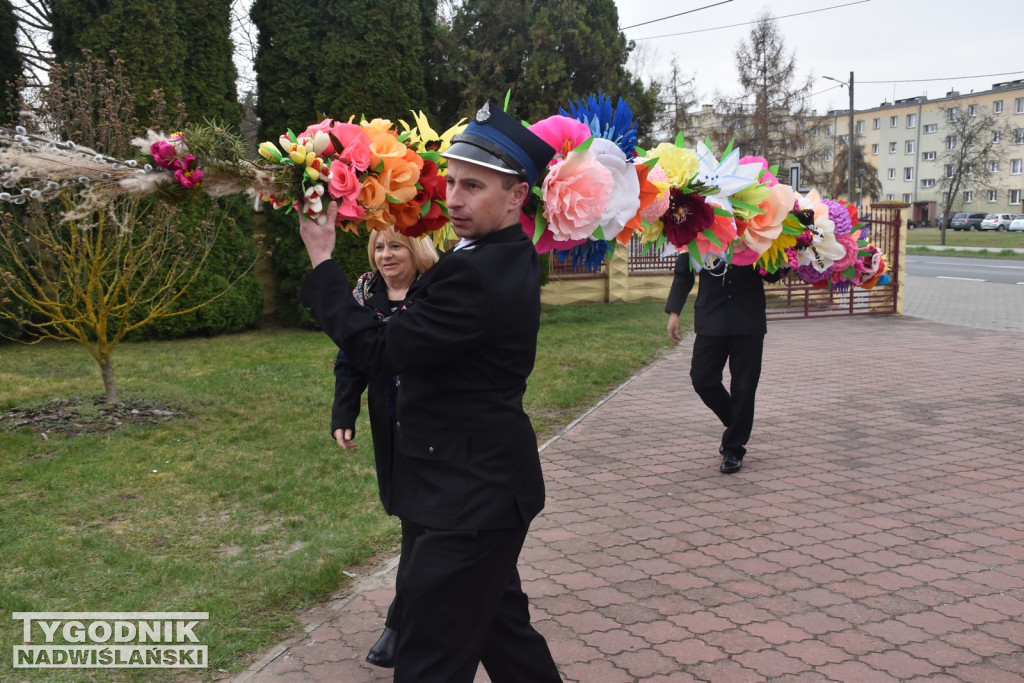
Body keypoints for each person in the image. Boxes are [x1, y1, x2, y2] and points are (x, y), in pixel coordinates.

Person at [297, 101, 561, 682]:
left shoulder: (479, 272)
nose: (456, 197)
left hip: (466, 500)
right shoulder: (488, 254)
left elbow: (383, 353)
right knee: (502, 632)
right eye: (453, 182)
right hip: (478, 488)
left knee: (428, 659)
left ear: (518, 196)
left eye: (475, 185)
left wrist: (322, 261)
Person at [330, 226, 438, 668]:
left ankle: (399, 625)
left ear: (416, 248)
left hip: (434, 424)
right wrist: (344, 412)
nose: (386, 254)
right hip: (388, 421)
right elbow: (350, 356)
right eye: (379, 246)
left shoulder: (438, 289)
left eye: (396, 245)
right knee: (410, 515)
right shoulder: (365, 293)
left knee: (420, 521)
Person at [665, 255, 781, 474]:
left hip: (749, 318)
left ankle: (733, 449)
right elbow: (684, 272)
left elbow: (773, 275)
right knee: (702, 379)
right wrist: (674, 313)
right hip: (711, 316)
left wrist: (786, 256)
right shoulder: (699, 225)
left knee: (744, 387)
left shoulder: (761, 226)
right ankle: (737, 422)